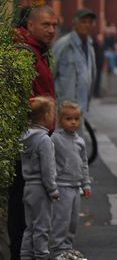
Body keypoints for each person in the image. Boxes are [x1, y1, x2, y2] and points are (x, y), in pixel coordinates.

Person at [9, 6, 58, 259]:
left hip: (37, 137)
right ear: (30, 26)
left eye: (54, 25)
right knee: (23, 206)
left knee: (28, 208)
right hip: (28, 142)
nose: (51, 30)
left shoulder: (37, 51)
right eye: (45, 25)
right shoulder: (24, 53)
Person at [51, 101, 91, 260]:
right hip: (62, 186)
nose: (73, 122)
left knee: (73, 221)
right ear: (60, 120)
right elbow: (49, 161)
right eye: (68, 119)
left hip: (76, 187)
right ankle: (57, 250)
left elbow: (84, 163)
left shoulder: (80, 141)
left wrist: (86, 183)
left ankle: (67, 247)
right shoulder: (55, 138)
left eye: (76, 118)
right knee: (61, 219)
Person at [21, 97, 59, 260]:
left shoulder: (24, 136)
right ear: (45, 116)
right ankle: (41, 256)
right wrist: (53, 189)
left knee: (30, 227)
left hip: (28, 187)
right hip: (41, 189)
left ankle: (25, 256)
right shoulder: (44, 140)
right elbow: (48, 169)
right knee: (42, 228)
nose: (54, 117)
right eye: (53, 113)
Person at [52, 8, 97, 113]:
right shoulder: (63, 44)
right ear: (75, 23)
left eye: (90, 22)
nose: (87, 25)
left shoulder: (90, 46)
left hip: (82, 106)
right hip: (63, 106)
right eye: (83, 22)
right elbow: (50, 72)